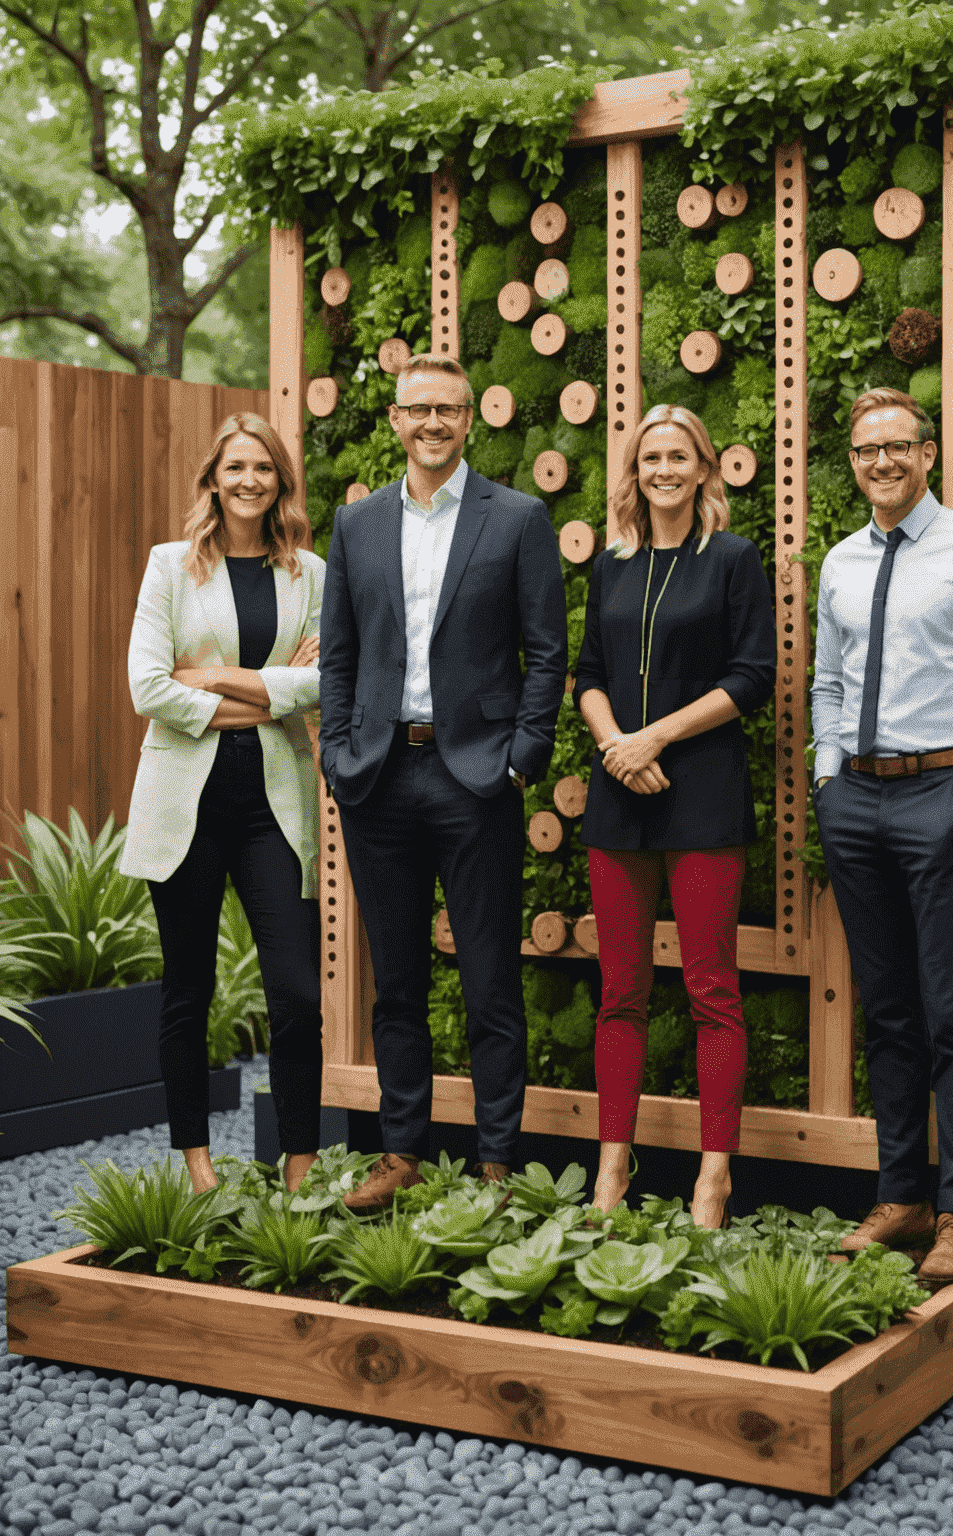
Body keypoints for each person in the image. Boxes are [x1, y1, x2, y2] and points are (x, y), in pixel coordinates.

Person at [317, 354, 566, 1210]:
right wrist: (338, 754)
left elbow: (548, 652)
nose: (432, 423)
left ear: (470, 421)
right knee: (397, 982)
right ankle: (401, 1153)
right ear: (394, 419)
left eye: (448, 410)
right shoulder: (355, 528)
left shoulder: (519, 518)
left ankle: (497, 1162)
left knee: (492, 977)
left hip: (474, 779)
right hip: (379, 779)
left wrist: (522, 757)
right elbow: (340, 654)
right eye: (417, 409)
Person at [812, 387, 953, 1286]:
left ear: (929, 452)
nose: (882, 463)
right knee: (889, 1011)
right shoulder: (838, 561)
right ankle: (900, 1195)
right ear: (854, 461)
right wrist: (829, 779)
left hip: (942, 794)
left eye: (898, 447)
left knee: (952, 1011)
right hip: (858, 803)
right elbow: (828, 682)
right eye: (867, 450)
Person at [574, 404, 776, 1229]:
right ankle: (610, 1168)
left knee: (710, 990)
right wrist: (617, 743)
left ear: (705, 469)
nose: (662, 469)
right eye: (649, 456)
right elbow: (586, 671)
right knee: (620, 991)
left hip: (704, 798)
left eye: (678, 456)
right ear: (635, 472)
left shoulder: (733, 559)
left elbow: (754, 675)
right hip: (618, 801)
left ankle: (713, 1177)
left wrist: (654, 735)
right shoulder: (610, 568)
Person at [121, 412, 327, 1196]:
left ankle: (300, 1171)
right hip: (186, 802)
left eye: (264, 470)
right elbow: (147, 688)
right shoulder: (171, 567)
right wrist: (271, 696)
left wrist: (208, 678)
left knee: (298, 994)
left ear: (281, 483)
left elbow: (325, 684)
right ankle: (198, 1168)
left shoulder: (311, 573)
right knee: (189, 988)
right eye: (235, 468)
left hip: (273, 803)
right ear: (213, 478)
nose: (249, 482)